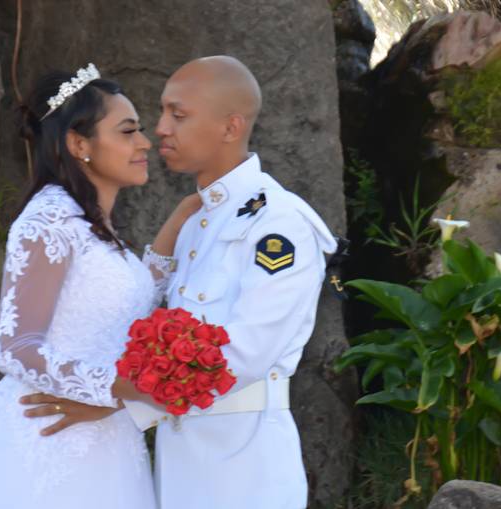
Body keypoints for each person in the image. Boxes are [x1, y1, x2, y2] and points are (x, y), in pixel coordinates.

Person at [25, 56, 337, 509]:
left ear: (230, 127)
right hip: (181, 460)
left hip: (243, 466)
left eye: (179, 115)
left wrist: (117, 401)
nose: (160, 129)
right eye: (162, 112)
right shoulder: (197, 220)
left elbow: (245, 354)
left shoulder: (277, 223)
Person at [0, 63, 199, 508]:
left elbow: (131, 299)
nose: (144, 142)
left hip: (106, 441)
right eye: (127, 131)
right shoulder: (50, 219)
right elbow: (16, 347)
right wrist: (124, 389)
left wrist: (181, 219)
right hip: (50, 438)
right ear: (79, 144)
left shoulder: (91, 221)